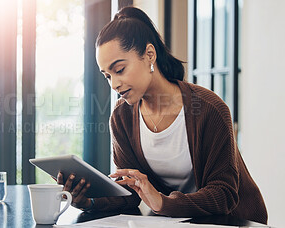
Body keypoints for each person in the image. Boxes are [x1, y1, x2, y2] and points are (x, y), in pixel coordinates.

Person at [57, 6, 268, 224]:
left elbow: (224, 195)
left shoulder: (209, 109)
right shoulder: (121, 117)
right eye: (107, 76)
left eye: (119, 70)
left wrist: (162, 202)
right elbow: (130, 194)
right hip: (178, 221)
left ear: (150, 54)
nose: (114, 84)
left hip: (234, 221)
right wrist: (88, 202)